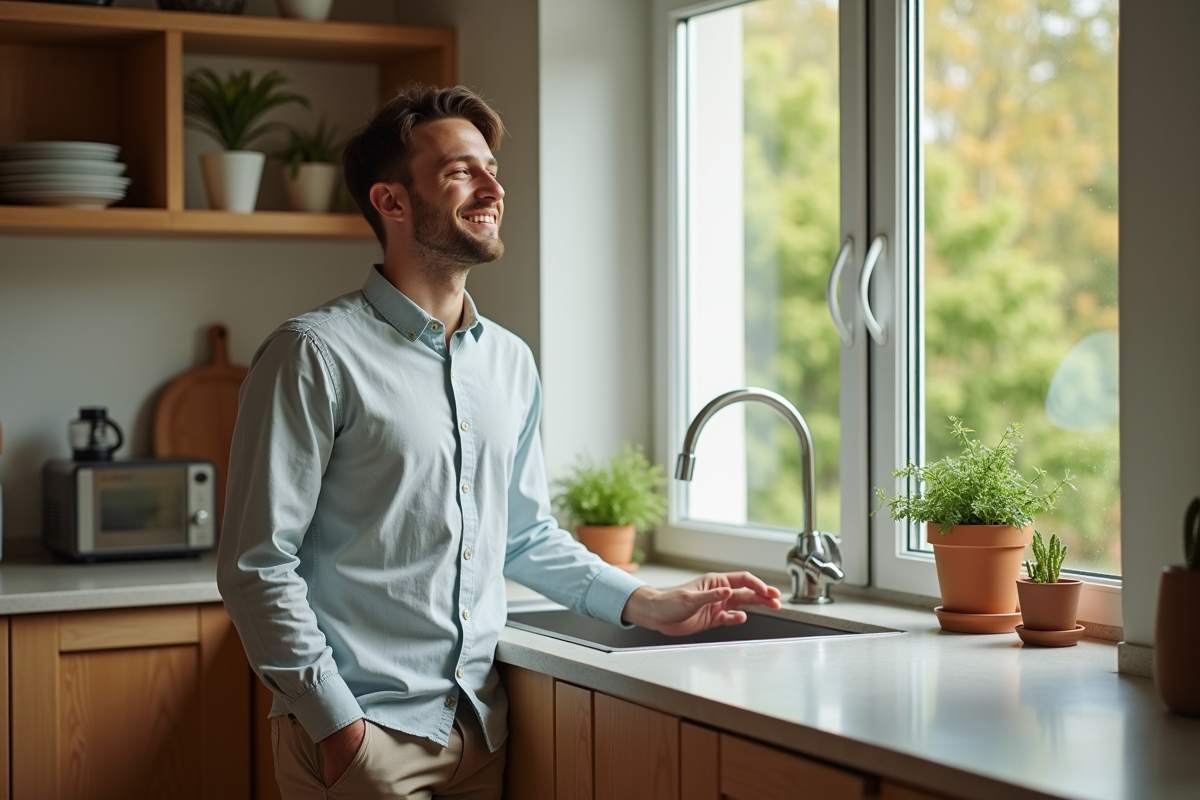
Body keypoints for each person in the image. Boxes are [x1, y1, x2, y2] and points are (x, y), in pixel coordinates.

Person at [216, 84, 782, 800]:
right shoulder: (313, 355)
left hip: (480, 734)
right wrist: (339, 730)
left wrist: (645, 601)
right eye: (460, 172)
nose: (493, 188)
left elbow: (522, 533)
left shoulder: (510, 361)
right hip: (365, 738)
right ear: (391, 201)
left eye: (490, 168)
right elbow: (256, 565)